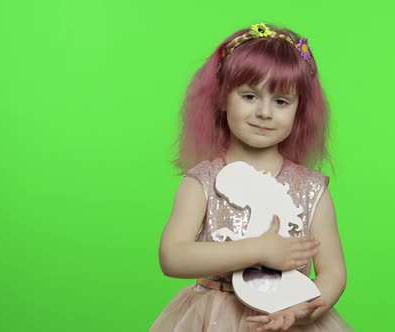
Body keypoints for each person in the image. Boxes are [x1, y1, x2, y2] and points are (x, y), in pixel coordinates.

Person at [151, 23, 353, 331]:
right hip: (213, 319)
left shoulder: (311, 189)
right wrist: (259, 250)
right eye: (249, 96)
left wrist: (304, 308)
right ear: (221, 98)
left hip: (287, 316)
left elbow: (333, 271)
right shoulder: (201, 182)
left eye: (281, 101)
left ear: (300, 110)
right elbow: (173, 256)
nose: (265, 112)